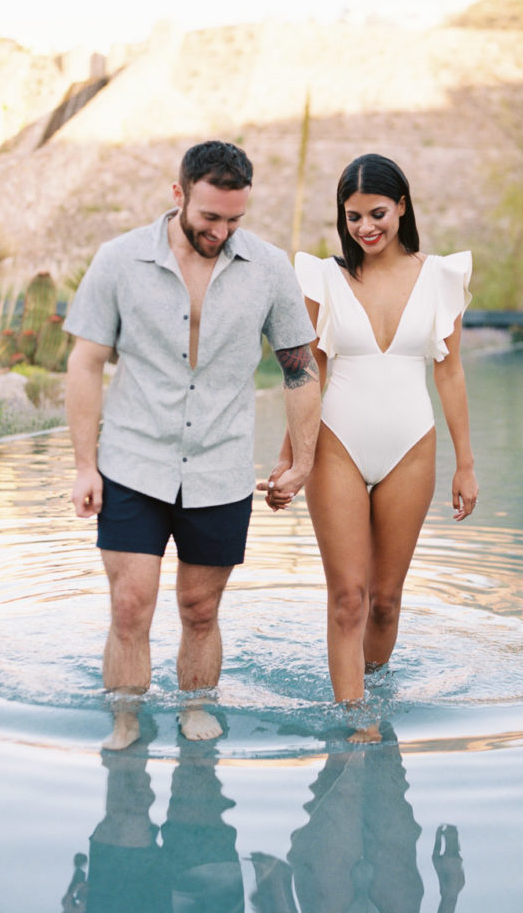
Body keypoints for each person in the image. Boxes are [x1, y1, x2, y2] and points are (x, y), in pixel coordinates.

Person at [64, 140, 320, 750]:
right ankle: (127, 720)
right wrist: (83, 466)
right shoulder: (120, 259)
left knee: (200, 610)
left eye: (235, 219)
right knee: (131, 606)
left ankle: (195, 707)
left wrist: (303, 462)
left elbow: (300, 368)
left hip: (220, 466)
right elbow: (86, 361)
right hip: (133, 462)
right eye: (210, 217)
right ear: (178, 194)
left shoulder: (268, 267)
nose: (222, 230)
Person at [267, 154, 477, 725]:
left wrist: (466, 464)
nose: (365, 228)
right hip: (337, 443)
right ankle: (354, 724)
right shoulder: (323, 278)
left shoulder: (442, 277)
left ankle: (373, 697)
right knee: (348, 598)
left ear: (402, 206)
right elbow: (308, 369)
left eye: (377, 213)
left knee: (384, 602)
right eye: (353, 216)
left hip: (413, 446)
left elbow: (450, 371)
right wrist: (292, 457)